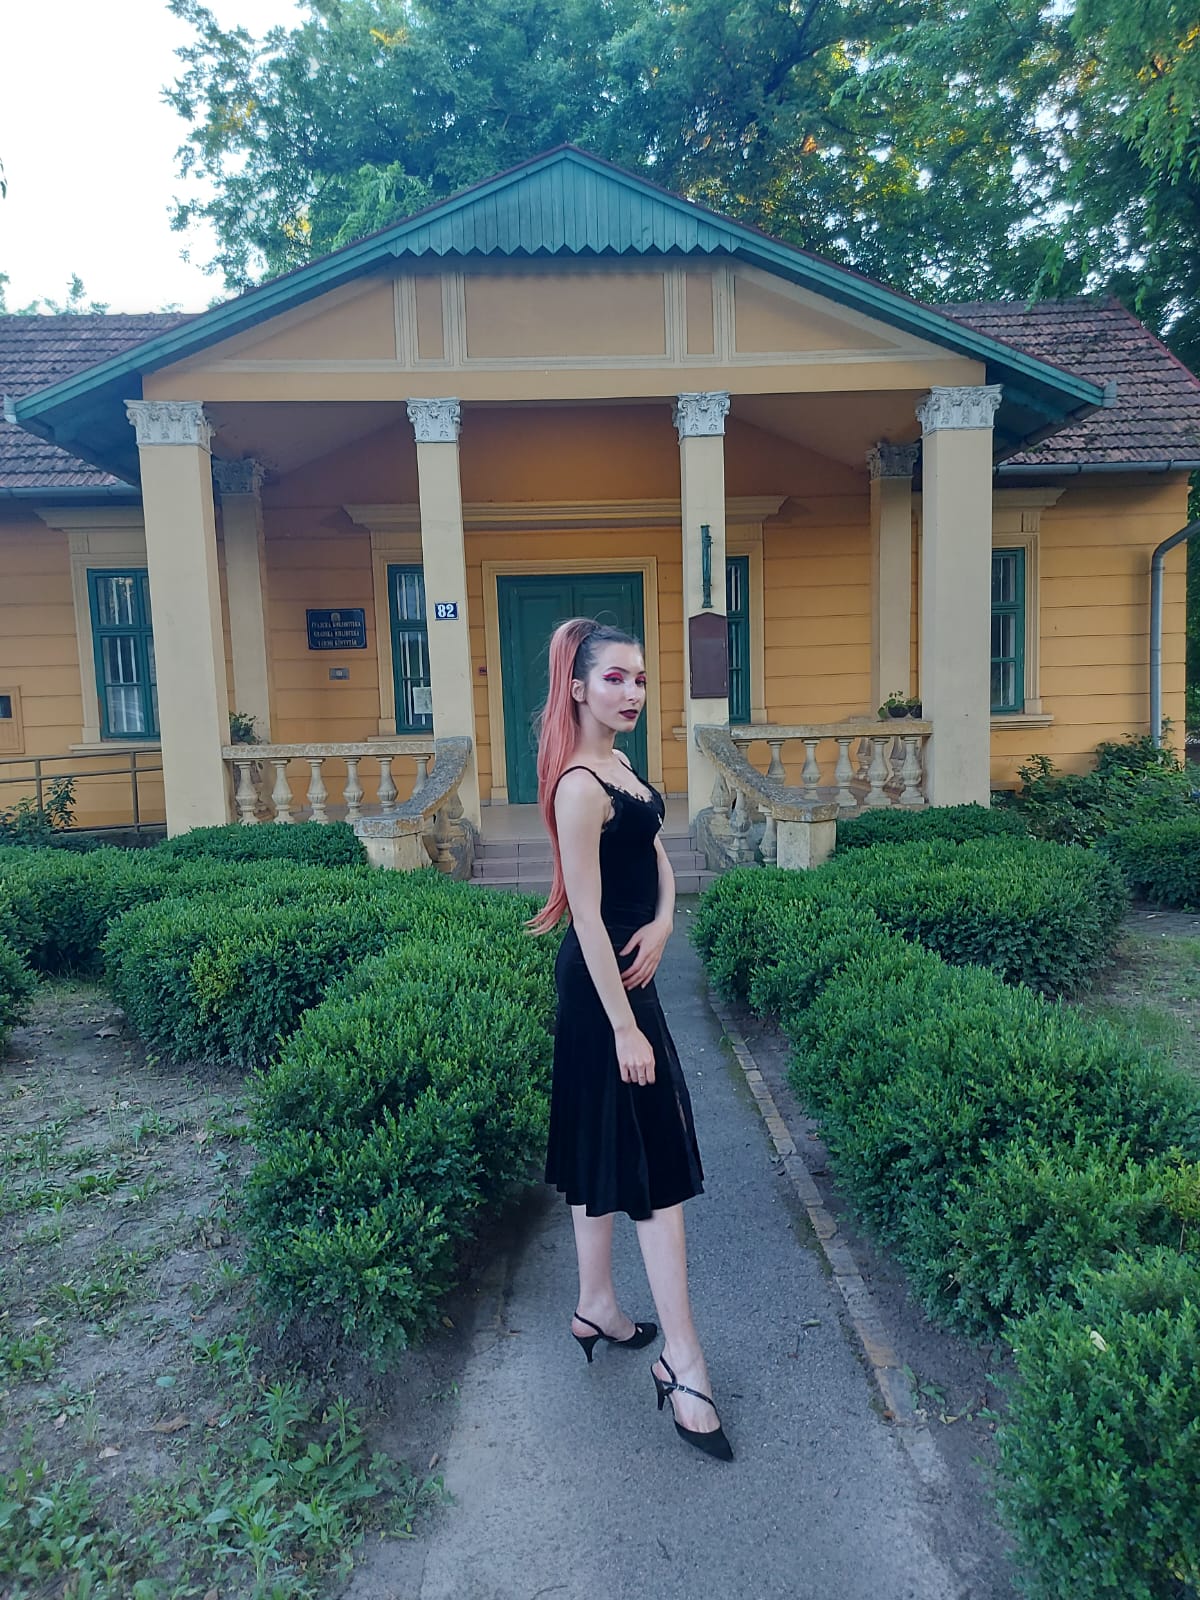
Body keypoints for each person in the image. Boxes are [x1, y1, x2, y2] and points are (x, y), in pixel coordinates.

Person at [527, 616, 732, 1462]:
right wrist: (623, 1028)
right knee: (652, 1167)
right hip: (604, 993)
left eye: (640, 678)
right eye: (615, 678)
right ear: (577, 687)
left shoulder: (623, 768)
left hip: (629, 973)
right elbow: (581, 916)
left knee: (609, 1148)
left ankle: (596, 1306)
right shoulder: (580, 785)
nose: (632, 692)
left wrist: (666, 919)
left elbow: (657, 856)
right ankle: (683, 1360)